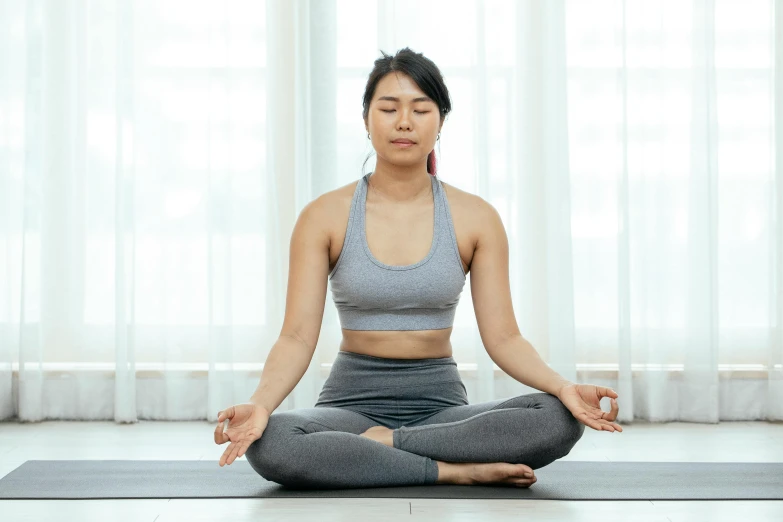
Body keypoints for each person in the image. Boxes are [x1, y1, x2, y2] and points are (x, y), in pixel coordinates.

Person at [213, 47, 622, 490]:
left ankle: (386, 446)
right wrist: (259, 404)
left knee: (558, 420)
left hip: (442, 407)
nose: (404, 121)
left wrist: (564, 388)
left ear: (440, 120)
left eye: (420, 109)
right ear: (367, 119)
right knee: (271, 442)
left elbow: (504, 337)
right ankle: (450, 469)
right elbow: (295, 336)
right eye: (388, 108)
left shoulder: (475, 217)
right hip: (349, 405)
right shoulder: (324, 216)